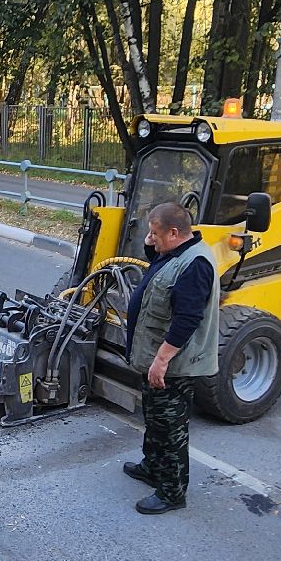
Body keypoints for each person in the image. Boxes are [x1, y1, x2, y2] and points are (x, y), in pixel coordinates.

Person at [121, 202, 220, 515]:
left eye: (155, 233)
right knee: (154, 417)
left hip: (175, 364)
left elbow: (187, 318)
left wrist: (162, 360)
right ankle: (153, 467)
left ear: (174, 232)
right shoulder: (176, 254)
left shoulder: (196, 263)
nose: (151, 238)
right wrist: (152, 245)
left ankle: (172, 491)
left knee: (170, 427)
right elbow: (161, 273)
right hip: (157, 357)